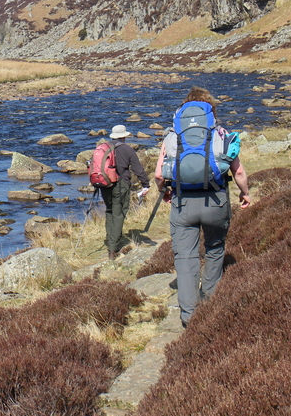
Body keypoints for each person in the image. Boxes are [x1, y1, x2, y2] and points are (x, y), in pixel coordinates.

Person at [153, 87, 251, 327]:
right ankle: (209, 302)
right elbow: (238, 171)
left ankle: (188, 316)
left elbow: (158, 175)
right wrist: (245, 193)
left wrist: (164, 191)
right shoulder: (221, 133)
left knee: (185, 258)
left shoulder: (172, 135)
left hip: (182, 202)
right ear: (211, 109)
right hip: (216, 200)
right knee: (215, 249)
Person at [101, 125, 151, 260]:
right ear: (124, 136)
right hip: (120, 184)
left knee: (110, 211)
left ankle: (110, 238)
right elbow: (138, 169)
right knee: (119, 214)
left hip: (104, 184)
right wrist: (146, 184)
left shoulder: (103, 147)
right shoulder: (127, 149)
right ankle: (113, 249)